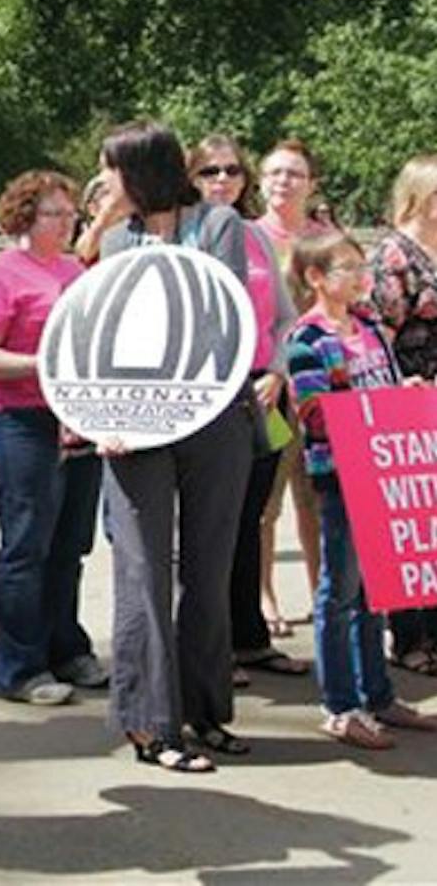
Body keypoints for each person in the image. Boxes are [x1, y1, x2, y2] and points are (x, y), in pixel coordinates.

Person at [96, 122, 255, 772]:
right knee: (142, 571)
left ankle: (205, 710)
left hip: (213, 417)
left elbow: (213, 310)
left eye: (110, 169)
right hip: (136, 426)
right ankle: (151, 724)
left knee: (208, 570)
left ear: (139, 171)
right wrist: (100, 413)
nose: (102, 181)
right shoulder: (115, 240)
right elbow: (101, 331)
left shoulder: (218, 226)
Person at [283, 231, 437, 746]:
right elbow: (313, 412)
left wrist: (402, 394)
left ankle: (378, 695)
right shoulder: (307, 340)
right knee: (340, 589)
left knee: (375, 588)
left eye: (360, 267)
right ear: (315, 278)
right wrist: (372, 408)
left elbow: (385, 384)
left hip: (379, 470)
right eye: (346, 268)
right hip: (341, 473)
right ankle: (340, 705)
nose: (359, 277)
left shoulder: (369, 326)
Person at [0, 170, 106, 707]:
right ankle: (19, 666)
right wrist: (43, 364)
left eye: (71, 214)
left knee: (70, 544)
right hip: (19, 419)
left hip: (77, 418)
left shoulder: (75, 271)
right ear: (25, 217)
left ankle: (66, 647)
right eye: (53, 214)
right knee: (26, 544)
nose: (66, 224)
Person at [187, 136, 309, 684]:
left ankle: (249, 640)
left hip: (261, 394)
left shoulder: (254, 236)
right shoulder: (184, 233)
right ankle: (210, 649)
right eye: (210, 171)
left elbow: (284, 318)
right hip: (208, 394)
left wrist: (278, 372)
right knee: (209, 525)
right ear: (191, 177)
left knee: (249, 516)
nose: (222, 179)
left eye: (232, 170)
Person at [366, 155, 437, 677]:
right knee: (409, 524)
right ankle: (409, 635)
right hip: (407, 398)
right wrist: (397, 386)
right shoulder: (394, 255)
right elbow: (377, 334)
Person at [257, 138, 330, 635]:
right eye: (276, 172)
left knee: (318, 497)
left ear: (311, 184)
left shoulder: (326, 239)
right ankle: (264, 597)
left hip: (320, 387)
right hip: (270, 389)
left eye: (295, 174)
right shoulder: (246, 236)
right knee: (266, 499)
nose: (284, 182)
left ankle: (322, 590)